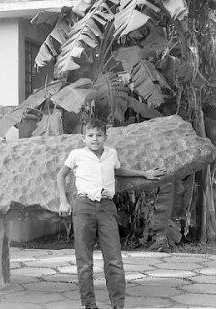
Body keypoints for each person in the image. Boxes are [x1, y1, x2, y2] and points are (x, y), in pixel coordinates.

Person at [56, 119, 166, 309]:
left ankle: (118, 304)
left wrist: (144, 173)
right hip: (83, 207)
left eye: (99, 135)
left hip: (106, 207)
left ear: (105, 137)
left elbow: (118, 171)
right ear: (84, 138)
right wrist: (63, 201)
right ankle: (89, 304)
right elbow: (60, 175)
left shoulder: (111, 153)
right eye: (90, 135)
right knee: (84, 261)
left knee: (114, 259)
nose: (95, 139)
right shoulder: (76, 155)